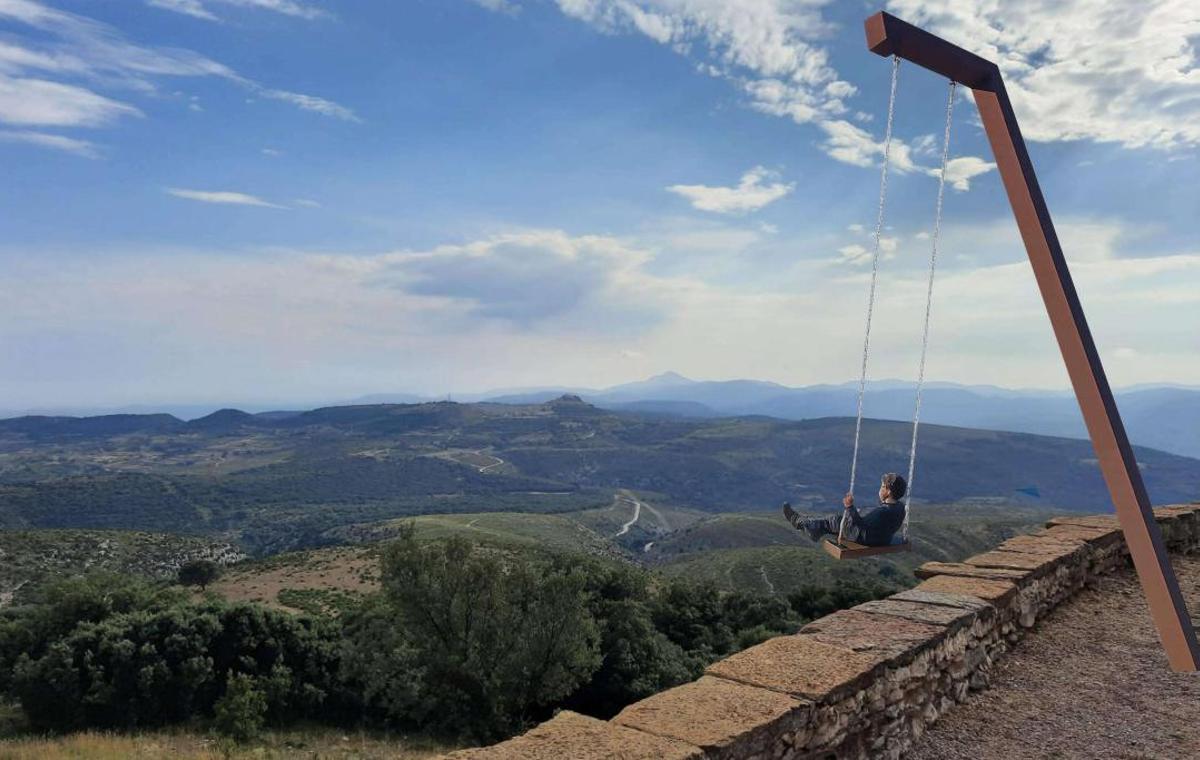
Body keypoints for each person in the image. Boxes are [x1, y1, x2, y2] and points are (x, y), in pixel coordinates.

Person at [782, 473, 907, 547]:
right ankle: (812, 527)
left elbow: (861, 524)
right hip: (882, 539)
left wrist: (850, 507)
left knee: (835, 520)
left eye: (882, 487)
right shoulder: (900, 507)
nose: (880, 489)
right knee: (839, 521)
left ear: (888, 491)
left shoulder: (882, 512)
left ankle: (802, 523)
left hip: (866, 540)